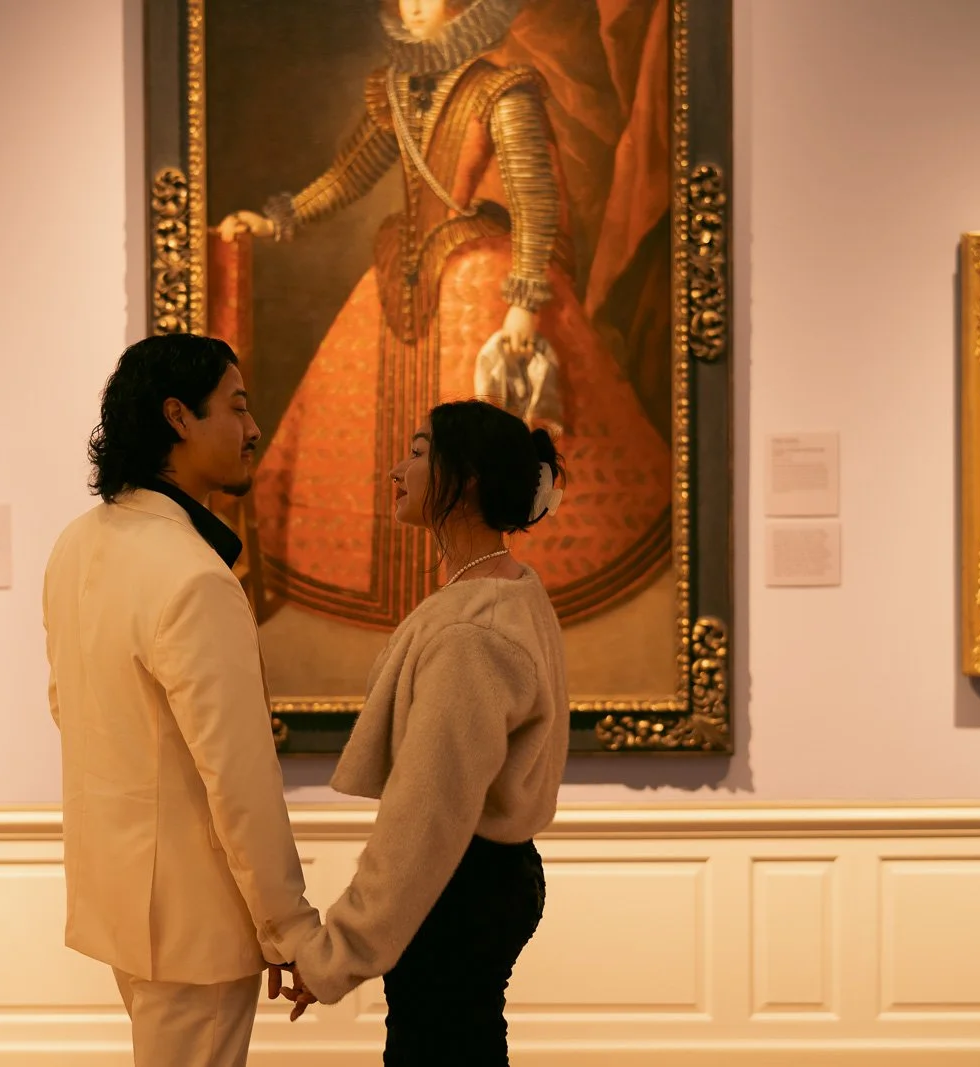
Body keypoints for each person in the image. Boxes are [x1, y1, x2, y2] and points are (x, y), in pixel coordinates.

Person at [215, 0, 671, 630]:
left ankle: (486, 591)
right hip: (403, 277)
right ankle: (395, 591)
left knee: (491, 441)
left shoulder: (502, 89)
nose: (414, 5)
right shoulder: (395, 89)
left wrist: (523, 303)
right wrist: (277, 220)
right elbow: (349, 175)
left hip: (482, 281)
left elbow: (534, 201)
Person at [42, 334, 320, 1067]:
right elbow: (239, 777)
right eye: (236, 406)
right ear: (178, 418)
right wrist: (290, 927)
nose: (253, 428)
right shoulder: (194, 576)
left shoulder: (77, 544)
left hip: (120, 898)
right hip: (195, 920)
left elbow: (69, 709)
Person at [279, 399, 571, 1065]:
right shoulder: (509, 589)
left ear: (465, 479)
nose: (395, 469)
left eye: (415, 452)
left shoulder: (471, 630)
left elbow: (426, 816)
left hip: (459, 890)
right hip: (488, 879)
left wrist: (334, 955)